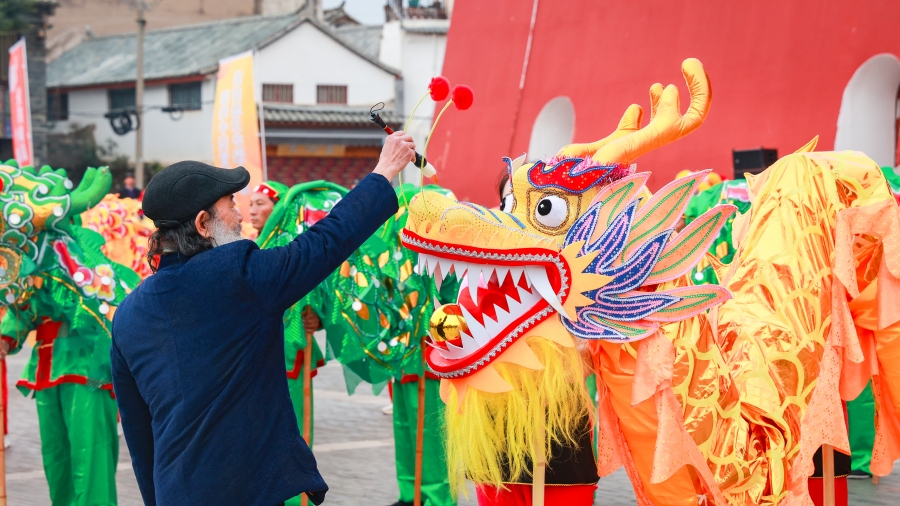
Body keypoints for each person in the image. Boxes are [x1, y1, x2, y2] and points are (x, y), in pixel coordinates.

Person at [111, 131, 415, 505]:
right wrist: (384, 171)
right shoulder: (238, 275)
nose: (240, 217)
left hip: (176, 491)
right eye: (231, 205)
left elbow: (140, 436)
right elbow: (324, 243)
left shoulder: (127, 313)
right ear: (204, 223)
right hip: (246, 490)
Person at [250, 180, 327, 506]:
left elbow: (323, 284)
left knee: (293, 431)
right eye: (250, 204)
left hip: (290, 354)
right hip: (256, 359)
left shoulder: (293, 244)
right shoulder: (249, 246)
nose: (252, 211)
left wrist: (318, 316)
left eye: (260, 204)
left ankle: (298, 499)